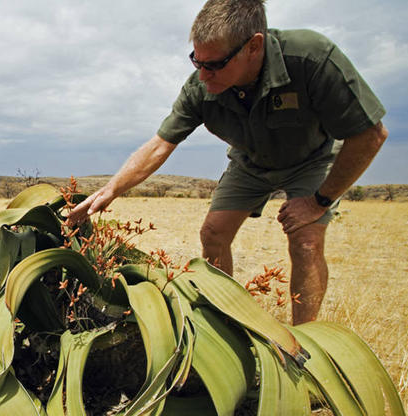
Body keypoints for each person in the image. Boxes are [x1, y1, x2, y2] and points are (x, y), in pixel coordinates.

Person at [68, 0, 387, 325]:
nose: (203, 74)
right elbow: (160, 144)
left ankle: (307, 343)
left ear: (254, 46)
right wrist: (110, 190)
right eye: (196, 61)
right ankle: (226, 322)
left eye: (215, 64)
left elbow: (370, 135)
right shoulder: (200, 86)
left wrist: (320, 201)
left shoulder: (311, 59)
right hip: (249, 163)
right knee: (213, 233)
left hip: (310, 160)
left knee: (305, 241)